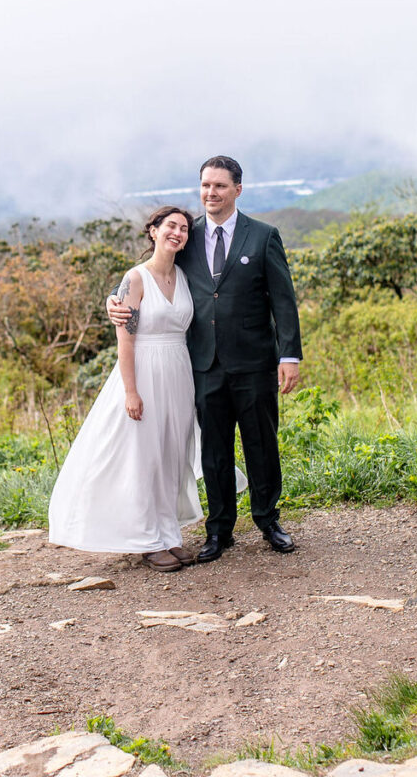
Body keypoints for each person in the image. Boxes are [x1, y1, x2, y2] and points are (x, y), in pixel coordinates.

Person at [108, 155, 302, 563]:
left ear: (237, 190)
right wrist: (114, 301)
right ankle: (219, 531)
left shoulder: (264, 235)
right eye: (205, 186)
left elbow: (283, 301)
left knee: (261, 444)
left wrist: (290, 355)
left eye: (219, 186)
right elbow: (151, 274)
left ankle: (269, 522)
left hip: (254, 362)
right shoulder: (187, 236)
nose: (211, 193)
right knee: (213, 450)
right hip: (201, 364)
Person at [48, 206, 203, 573]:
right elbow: (126, 341)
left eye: (183, 228)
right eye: (170, 226)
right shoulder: (134, 280)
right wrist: (130, 391)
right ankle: (146, 540)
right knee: (143, 457)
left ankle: (170, 535)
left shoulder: (184, 276)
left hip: (178, 373)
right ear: (152, 231)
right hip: (143, 371)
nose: (177, 233)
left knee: (171, 456)